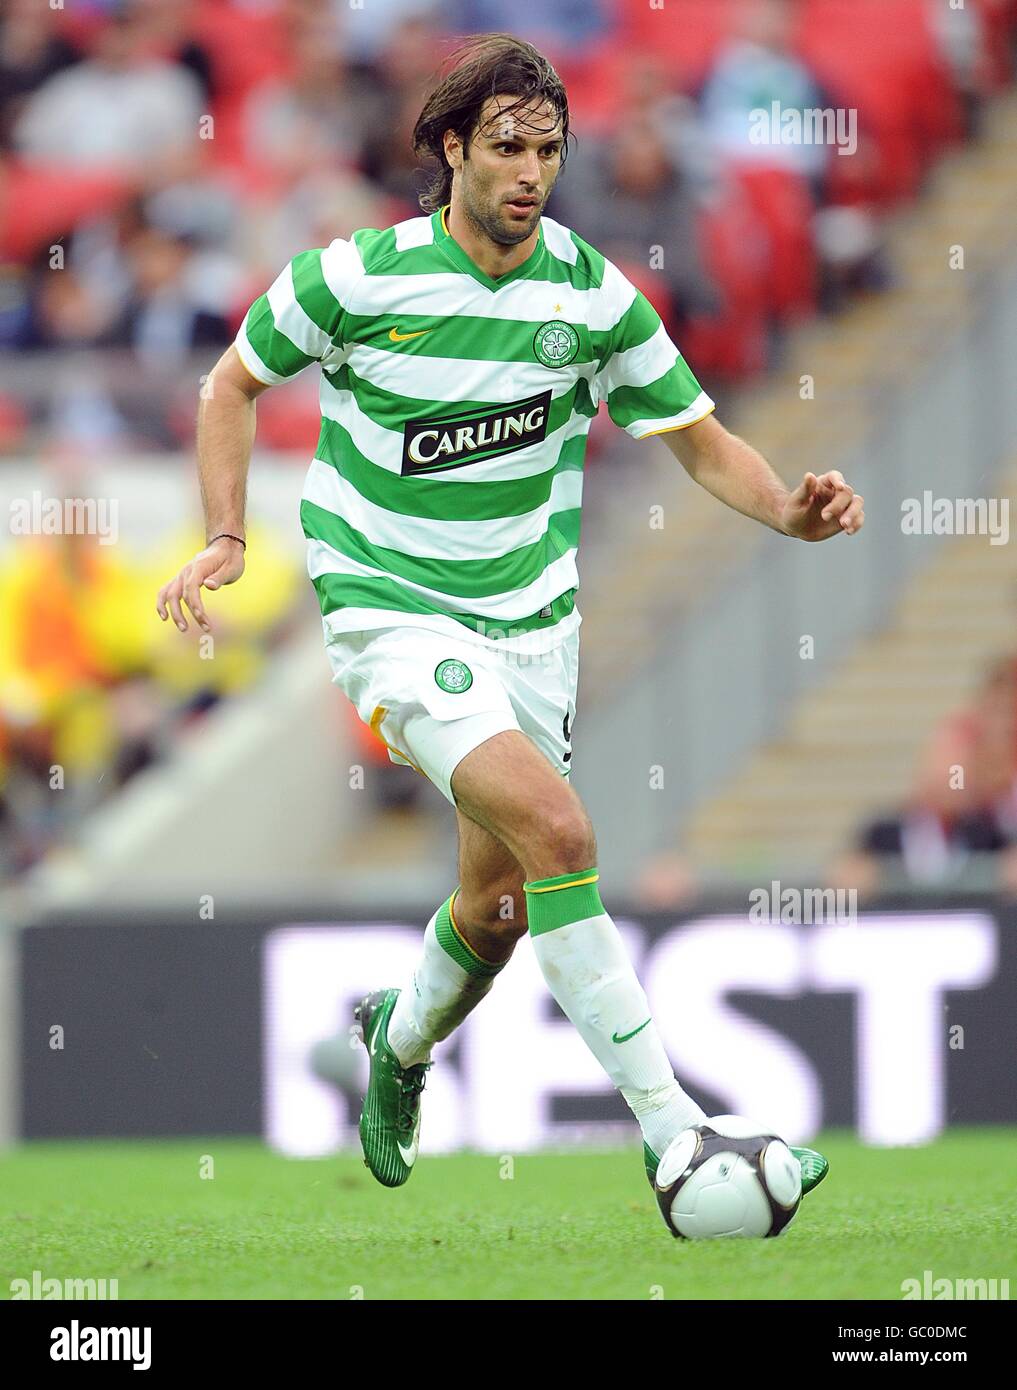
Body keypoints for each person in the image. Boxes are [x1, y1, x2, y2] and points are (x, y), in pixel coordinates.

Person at [157, 34, 864, 1203]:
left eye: (547, 148)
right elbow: (229, 382)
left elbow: (696, 439)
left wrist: (788, 510)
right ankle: (676, 1131)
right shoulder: (358, 278)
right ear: (451, 150)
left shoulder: (589, 295)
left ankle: (396, 1042)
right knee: (564, 838)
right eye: (505, 148)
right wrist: (228, 530)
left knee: (492, 905)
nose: (530, 171)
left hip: (532, 621)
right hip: (390, 605)